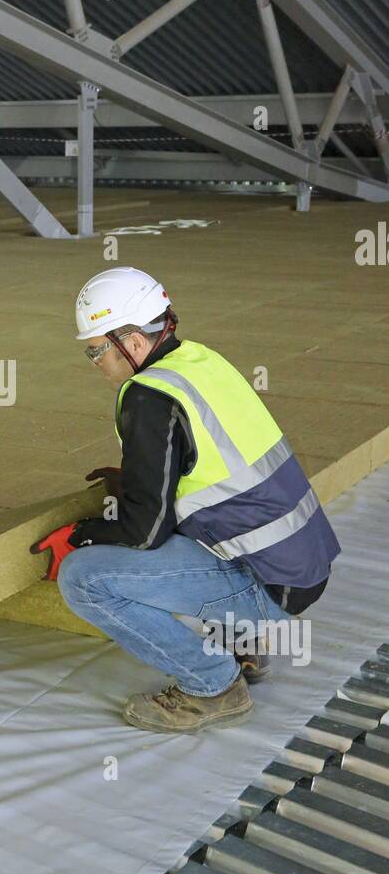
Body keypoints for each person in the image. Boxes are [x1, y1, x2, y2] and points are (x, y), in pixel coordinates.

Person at [31, 267, 340, 733]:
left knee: (84, 579)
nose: (94, 362)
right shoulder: (199, 362)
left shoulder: (148, 395)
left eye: (96, 350)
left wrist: (82, 535)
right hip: (301, 563)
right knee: (179, 533)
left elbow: (144, 533)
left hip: (268, 585)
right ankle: (239, 642)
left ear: (132, 341)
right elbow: (213, 468)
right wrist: (139, 478)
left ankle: (213, 684)